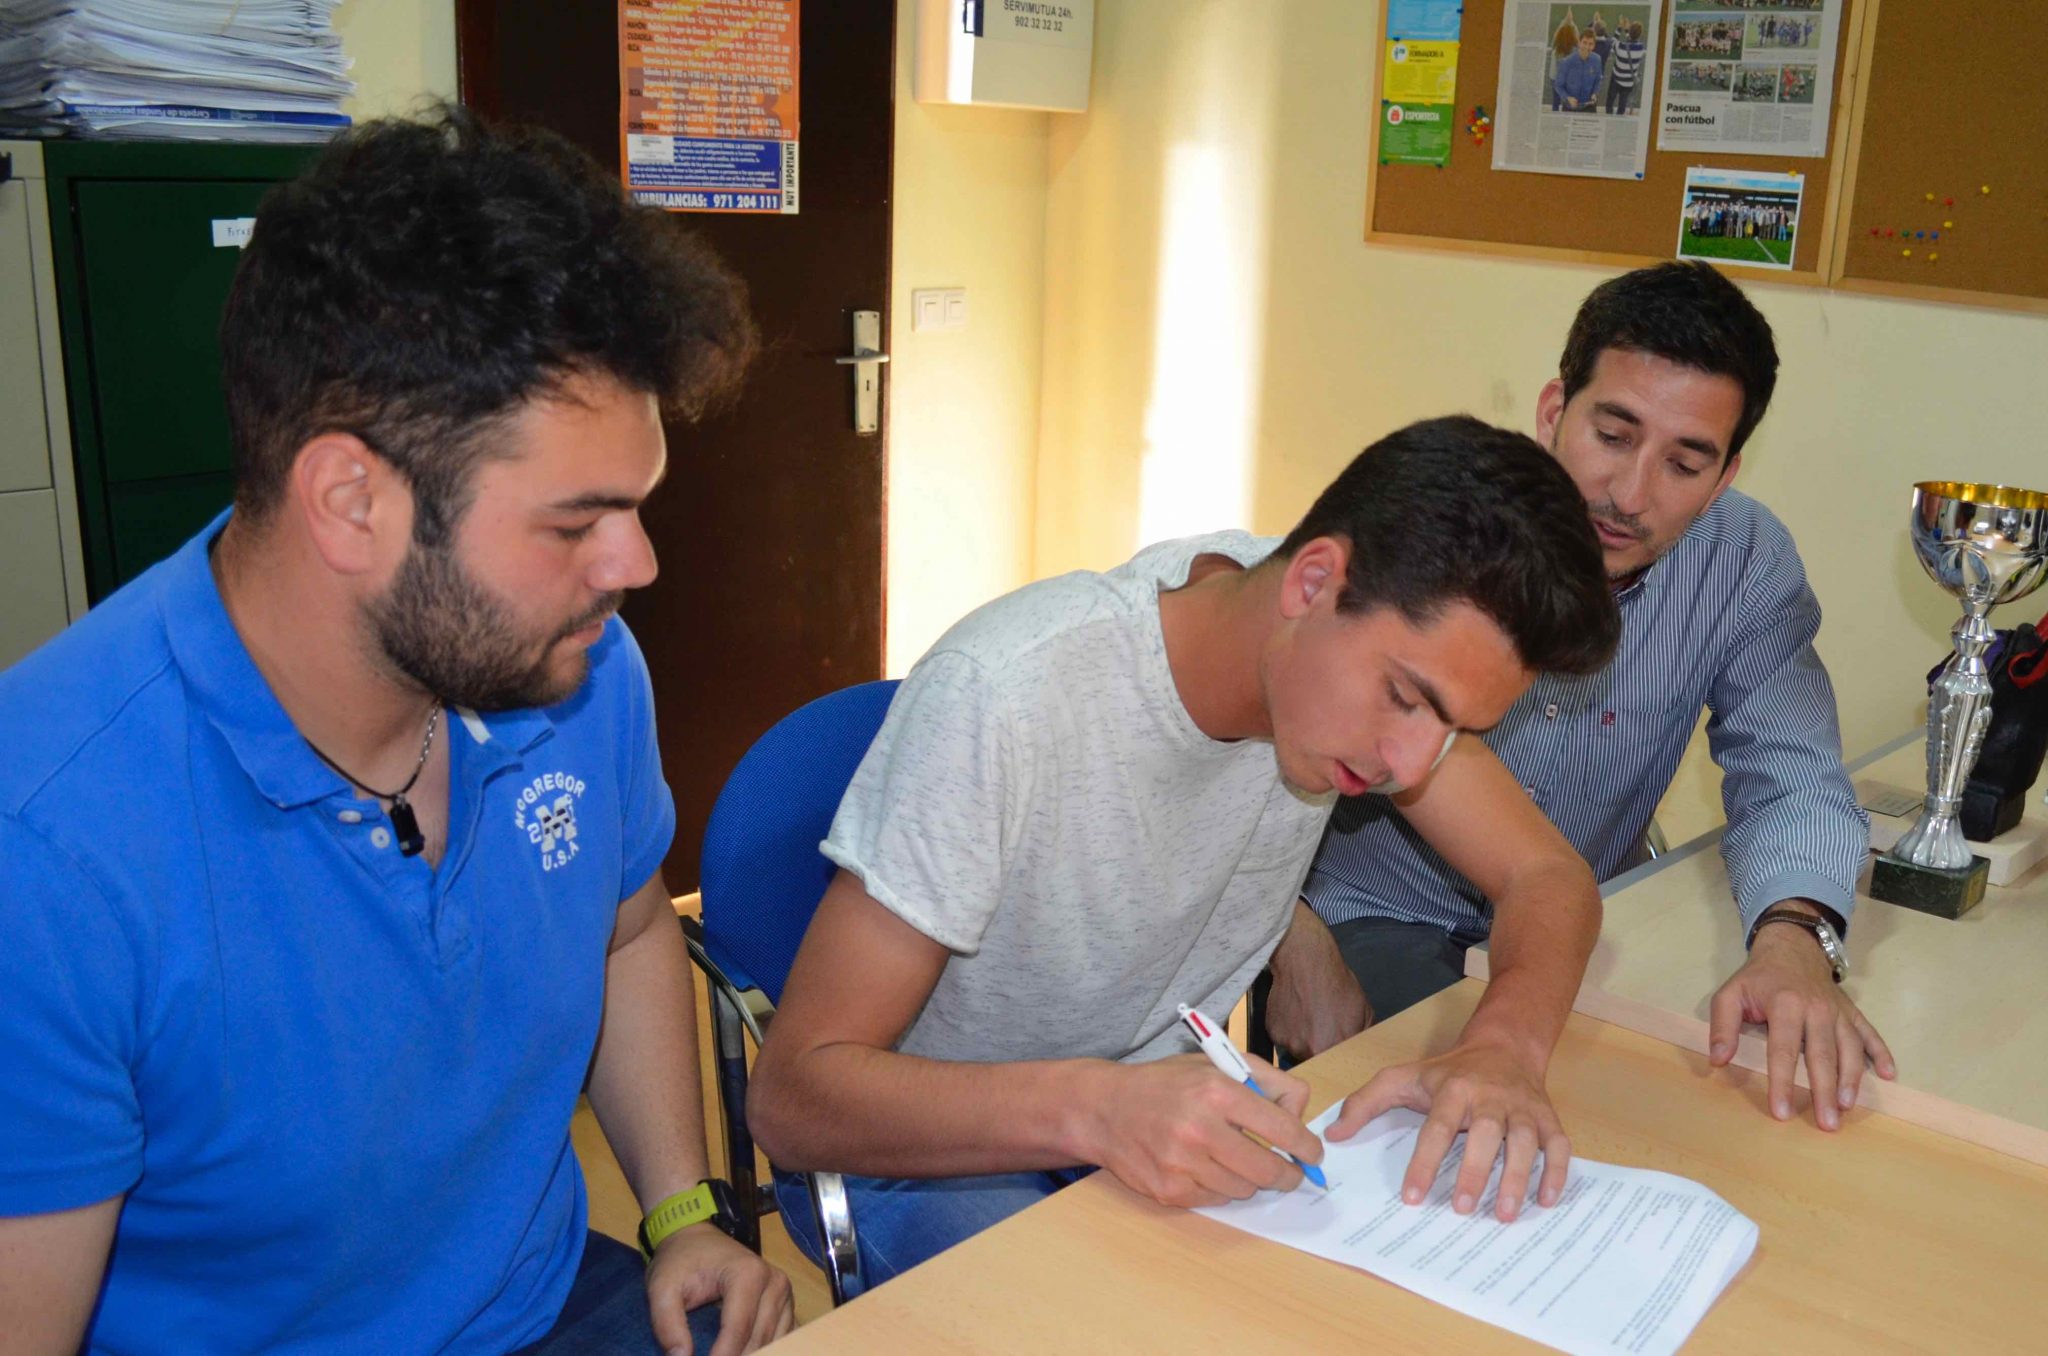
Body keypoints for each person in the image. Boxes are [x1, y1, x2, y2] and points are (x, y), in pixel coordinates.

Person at [0, 108, 795, 1354]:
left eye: (636, 507)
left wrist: (682, 1211)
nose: (633, 564)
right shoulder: (46, 846)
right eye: (574, 522)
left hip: (542, 1307)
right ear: (349, 500)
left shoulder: (579, 672)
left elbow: (631, 924)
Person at [747, 416, 1623, 1286]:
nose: (1412, 763)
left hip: (1140, 1121)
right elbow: (792, 1099)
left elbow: (1547, 876)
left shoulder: (1342, 650)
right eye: (1405, 698)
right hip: (920, 1149)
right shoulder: (1005, 696)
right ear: (1313, 580)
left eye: (1455, 729)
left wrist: (1504, 1050)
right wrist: (1099, 1107)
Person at [1274, 262, 1895, 1135]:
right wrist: (1288, 933)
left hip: (1576, 927)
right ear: (1552, 411)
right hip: (1375, 914)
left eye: (1684, 463)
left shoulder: (1743, 562)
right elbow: (1264, 725)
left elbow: (1791, 772)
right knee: (1427, 1141)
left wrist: (1795, 939)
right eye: (1612, 434)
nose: (1630, 495)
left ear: (1725, 476)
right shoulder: (1435, 522)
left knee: (1686, 1124)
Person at [1553, 29, 1606, 111]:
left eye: (1590, 44)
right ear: (1579, 43)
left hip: (1589, 106)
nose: (1587, 47)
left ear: (1594, 46)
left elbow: (1598, 80)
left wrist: (1595, 93)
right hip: (1570, 107)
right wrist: (1568, 98)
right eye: (1584, 42)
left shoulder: (1597, 60)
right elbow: (1558, 85)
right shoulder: (1567, 62)